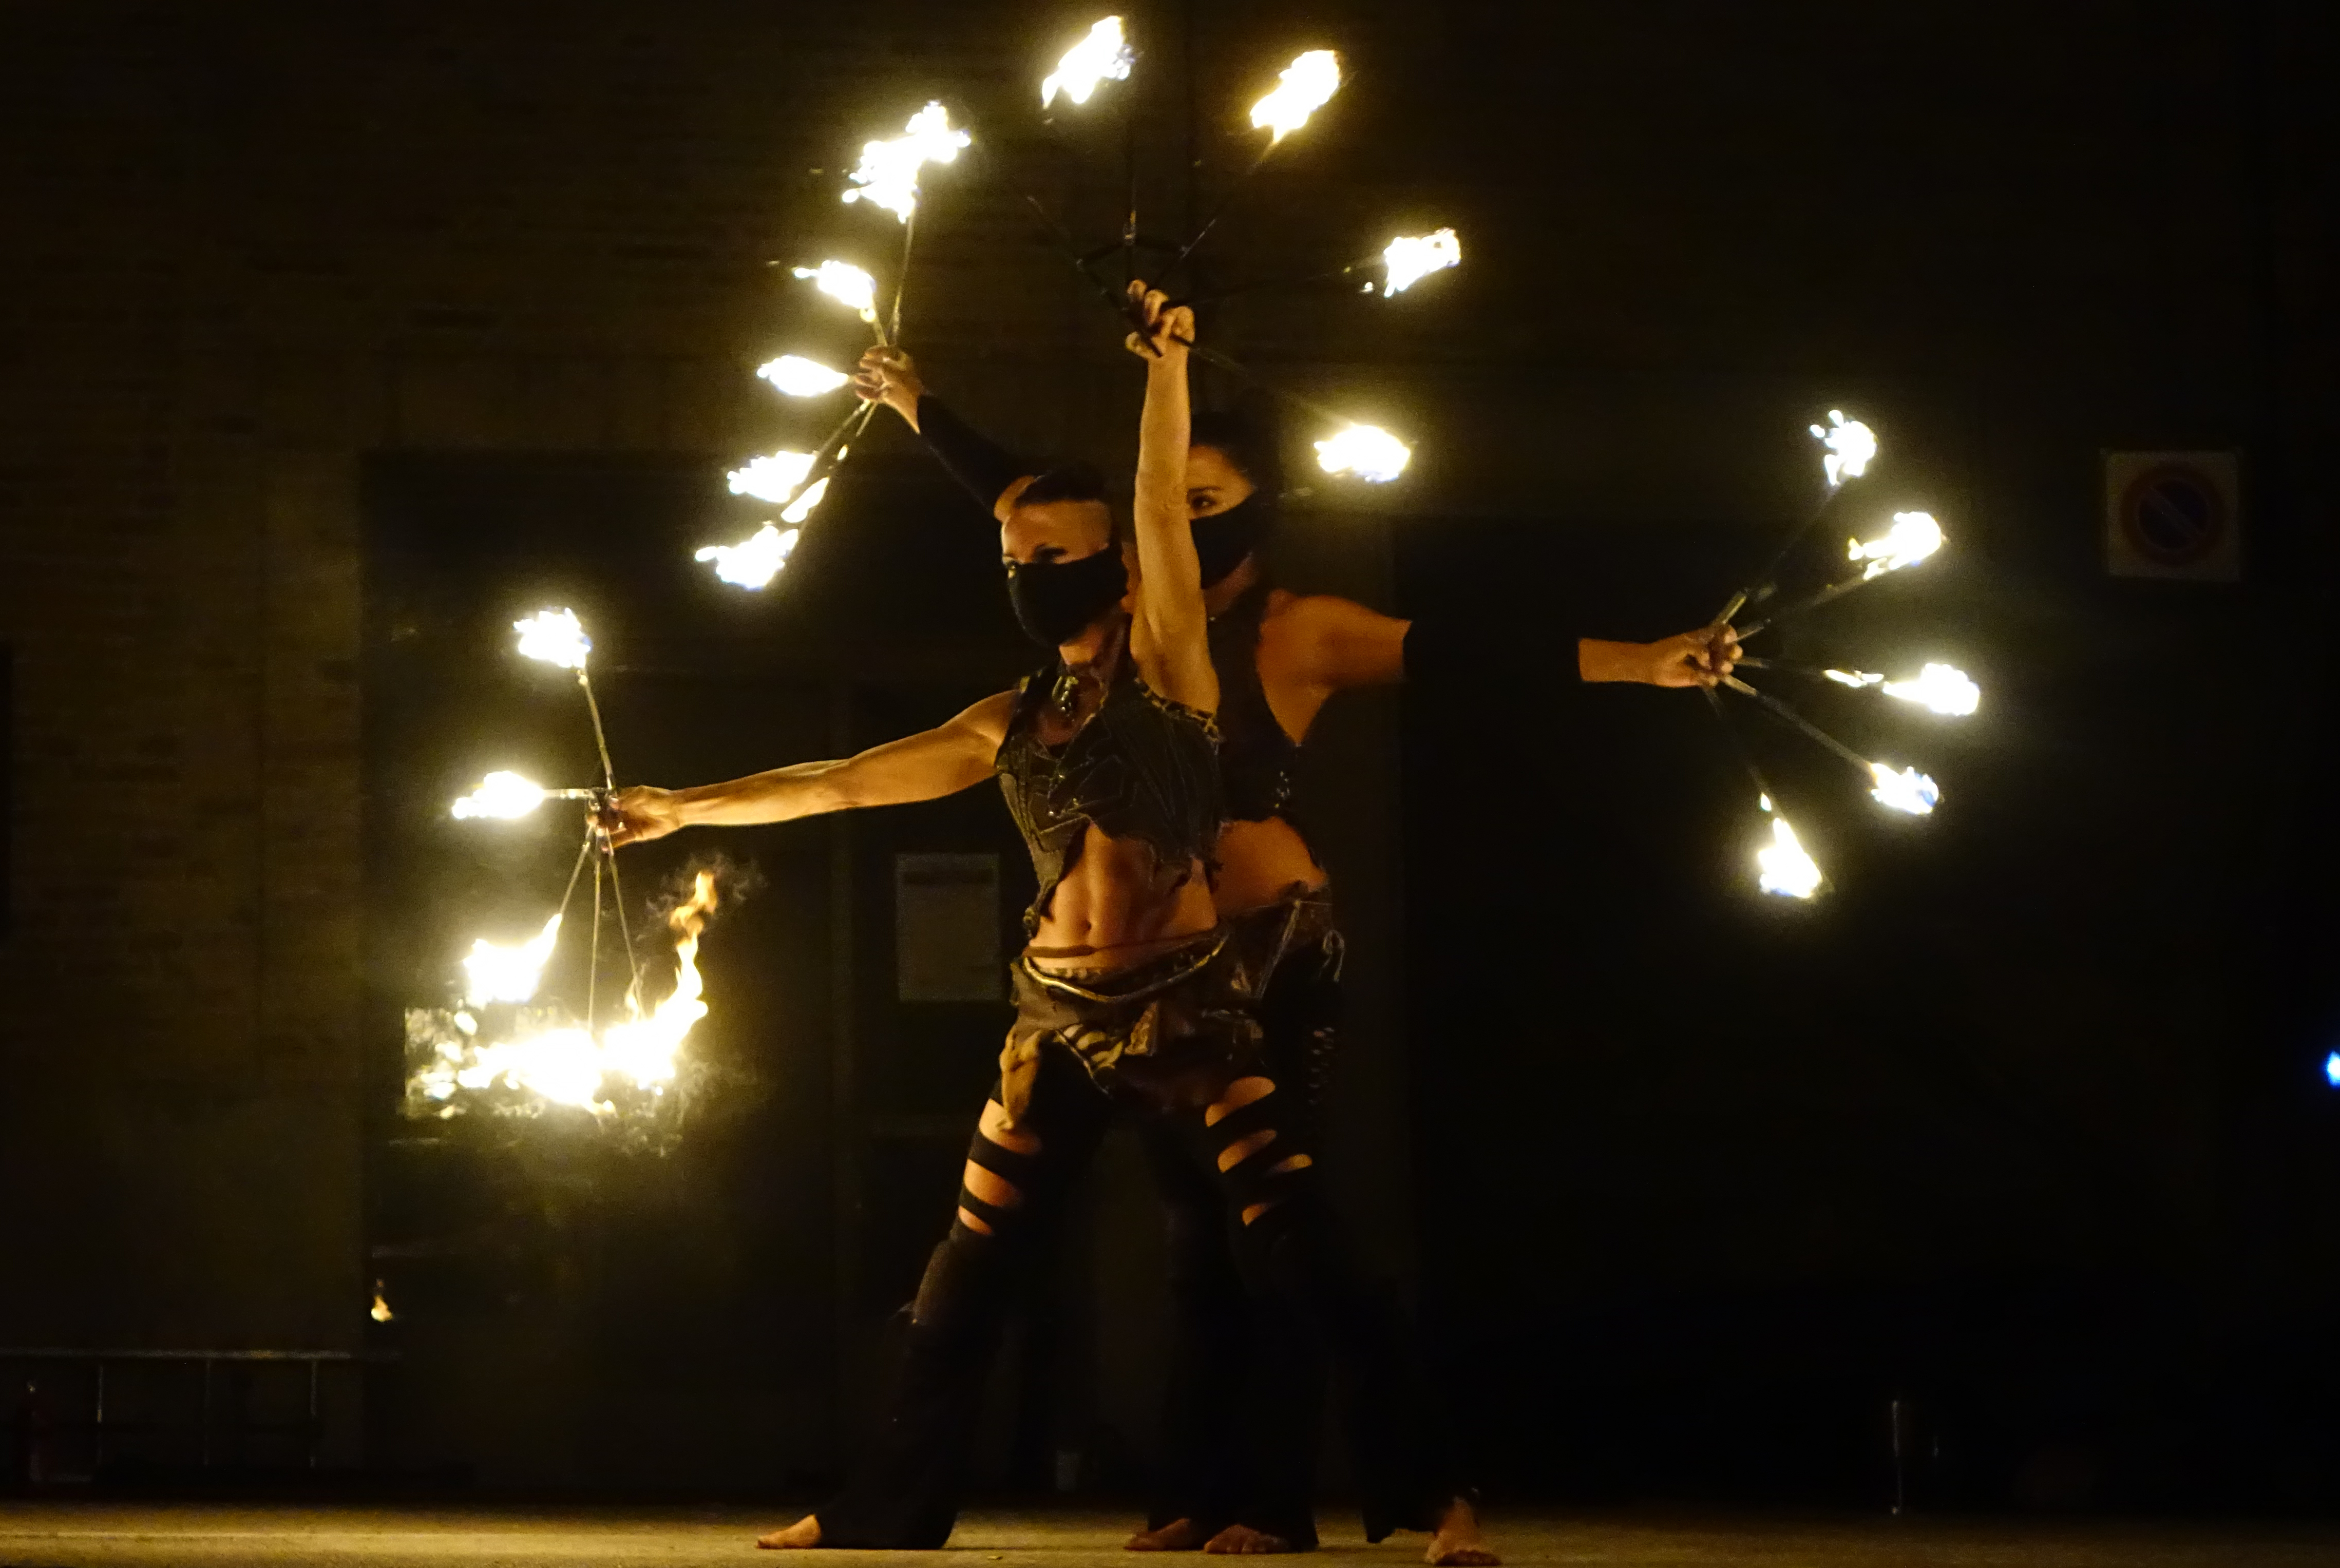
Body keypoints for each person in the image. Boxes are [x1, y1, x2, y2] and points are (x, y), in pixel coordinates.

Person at [607, 289, 1502, 1562]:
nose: (1030, 576)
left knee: (1298, 1250)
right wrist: (679, 808)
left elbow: (1155, 507)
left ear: (1124, 564)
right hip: (1053, 1019)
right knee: (965, 1267)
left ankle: (1435, 1499)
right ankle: (883, 1510)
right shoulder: (1013, 716)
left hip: (1187, 1006)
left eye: (1055, 557)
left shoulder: (1177, 666)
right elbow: (842, 781)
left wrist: (1163, 370)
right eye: (1014, 563)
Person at [851, 345, 1740, 1553]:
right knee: (1190, 1242)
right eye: (1167, 502)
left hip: (1274, 957)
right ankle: (1200, 1493)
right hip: (1150, 973)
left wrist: (1642, 660)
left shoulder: (1289, 631)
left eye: (1201, 502)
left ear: (1252, 513)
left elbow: (1466, 653)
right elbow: (1024, 501)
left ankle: (1282, 1500)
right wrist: (914, 403)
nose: (1172, 518)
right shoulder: (1122, 628)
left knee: (1272, 1227)